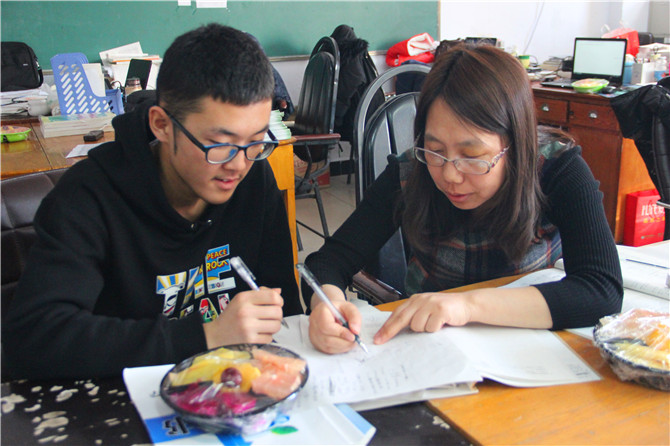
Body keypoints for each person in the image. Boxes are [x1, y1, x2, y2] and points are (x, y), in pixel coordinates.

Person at [2, 24, 302, 379]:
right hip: (117, 398)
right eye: (220, 144)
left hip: (231, 393)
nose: (238, 165)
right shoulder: (89, 196)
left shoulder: (254, 179)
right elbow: (35, 338)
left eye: (255, 141)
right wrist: (204, 335)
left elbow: (284, 310)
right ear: (161, 124)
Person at [305, 44, 623, 354]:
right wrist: (326, 304)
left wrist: (466, 305)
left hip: (529, 348)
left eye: (471, 156)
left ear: (515, 144)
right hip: (433, 348)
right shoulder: (411, 172)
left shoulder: (556, 169)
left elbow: (601, 289)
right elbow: (328, 262)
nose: (450, 175)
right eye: (435, 150)